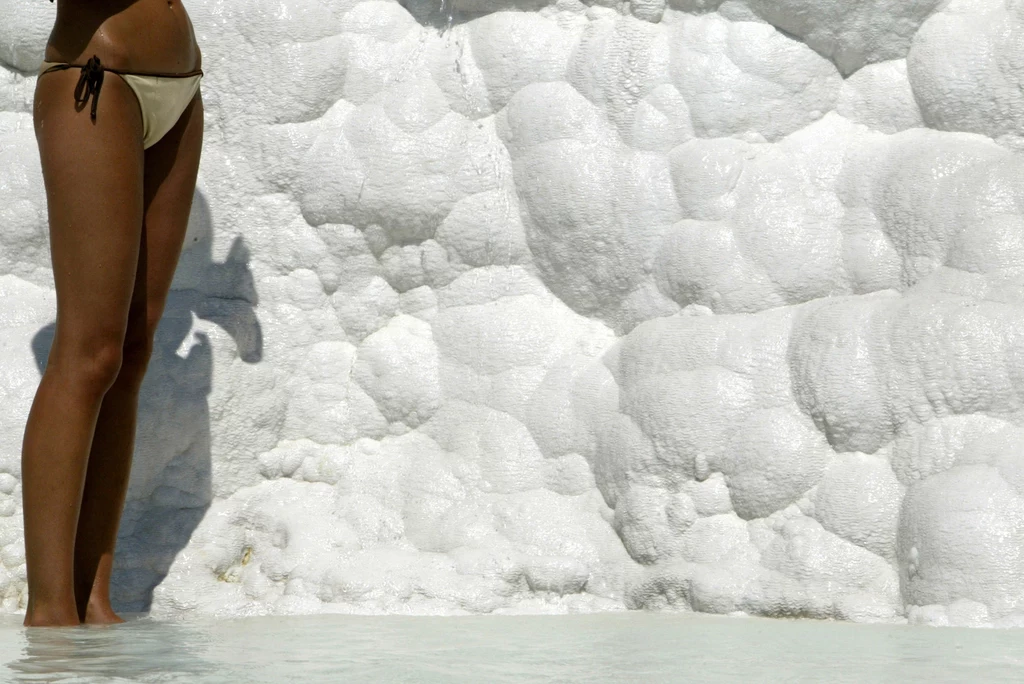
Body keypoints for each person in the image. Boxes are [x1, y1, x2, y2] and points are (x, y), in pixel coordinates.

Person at [22, 0, 204, 627]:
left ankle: (94, 598)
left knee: (131, 351)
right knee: (90, 352)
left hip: (180, 88)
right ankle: (50, 614)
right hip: (98, 75)